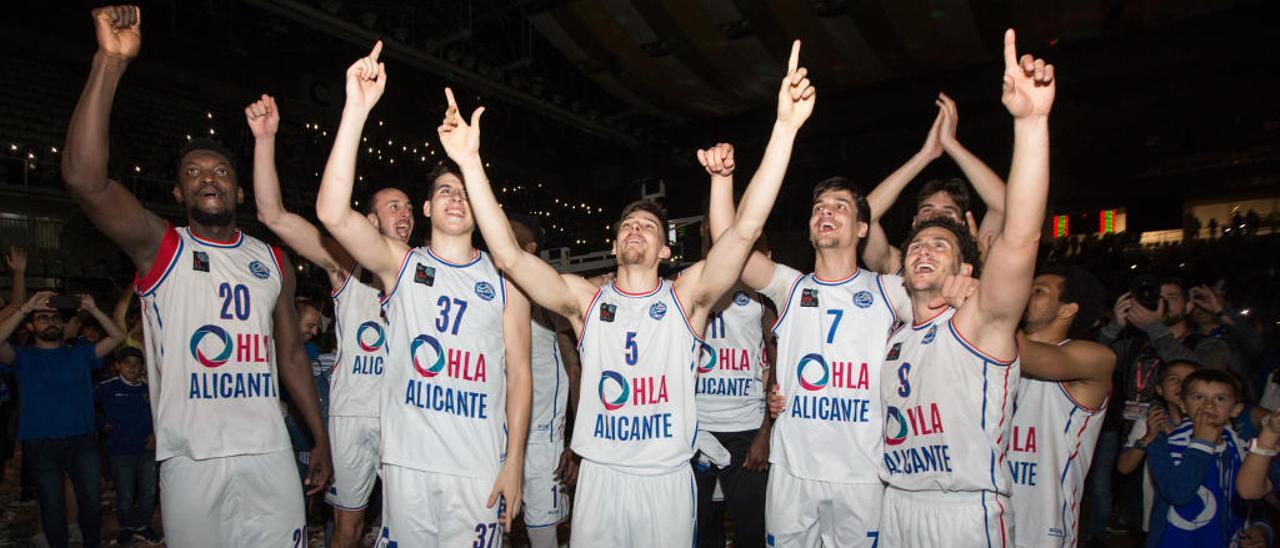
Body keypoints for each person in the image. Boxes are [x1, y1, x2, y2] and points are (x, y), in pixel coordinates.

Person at [441, 39, 813, 547]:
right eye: (628, 225)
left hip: (664, 480)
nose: (636, 230)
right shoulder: (584, 301)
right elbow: (507, 255)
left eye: (648, 227)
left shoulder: (687, 298)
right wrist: (469, 162)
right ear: (615, 243)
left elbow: (745, 232)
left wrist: (784, 129)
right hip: (601, 476)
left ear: (665, 250)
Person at [60, 6, 331, 545]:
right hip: (191, 458)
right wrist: (109, 63)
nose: (211, 178)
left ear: (239, 190)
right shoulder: (160, 247)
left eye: (223, 171)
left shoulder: (272, 259)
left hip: (270, 452)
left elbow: (292, 355)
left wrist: (319, 436)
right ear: (180, 193)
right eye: (195, 173)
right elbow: (85, 180)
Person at [315, 41, 532, 547]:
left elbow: (520, 375)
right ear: (429, 210)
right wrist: (356, 109)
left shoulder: (508, 279)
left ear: (479, 208)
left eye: (464, 192)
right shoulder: (401, 264)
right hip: (407, 465)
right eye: (444, 192)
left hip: (476, 466)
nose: (456, 198)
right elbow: (330, 213)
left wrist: (515, 460)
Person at [877, 29, 1054, 546]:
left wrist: (1030, 124)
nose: (923, 251)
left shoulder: (981, 321)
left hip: (963, 513)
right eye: (916, 245)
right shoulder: (895, 334)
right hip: (897, 505)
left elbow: (1021, 235)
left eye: (940, 245)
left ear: (968, 265)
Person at [707, 136, 914, 548]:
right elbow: (731, 246)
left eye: (840, 207)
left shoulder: (892, 292)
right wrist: (722, 181)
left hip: (863, 473)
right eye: (820, 207)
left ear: (861, 228)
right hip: (793, 470)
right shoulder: (790, 287)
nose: (826, 211)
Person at [693, 142, 775, 548]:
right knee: (702, 530)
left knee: (751, 531)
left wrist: (765, 430)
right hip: (699, 428)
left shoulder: (760, 292)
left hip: (746, 430)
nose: (717, 232)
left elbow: (776, 357)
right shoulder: (690, 284)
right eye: (710, 229)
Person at [0, 291, 124, 548]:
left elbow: (117, 337)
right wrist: (25, 308)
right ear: (32, 326)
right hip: (41, 443)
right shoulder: (23, 357)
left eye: (55, 317)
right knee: (51, 505)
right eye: (43, 318)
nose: (51, 321)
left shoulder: (79, 353)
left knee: (91, 502)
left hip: (83, 441)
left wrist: (95, 309)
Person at [1006, 266, 1115, 548]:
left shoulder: (1095, 358)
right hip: (986, 517)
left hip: (1042, 528)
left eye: (1038, 291)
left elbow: (1024, 354)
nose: (1025, 293)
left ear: (1067, 310)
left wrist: (992, 287)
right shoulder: (995, 356)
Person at [862, 93, 1009, 274]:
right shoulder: (899, 267)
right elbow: (863, 216)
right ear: (915, 222)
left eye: (949, 211)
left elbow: (1003, 205)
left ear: (963, 224)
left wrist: (952, 144)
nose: (936, 215)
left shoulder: (978, 259)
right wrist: (926, 155)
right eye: (927, 209)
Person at [509, 214, 580, 548]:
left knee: (544, 538)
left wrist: (575, 442)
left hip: (541, 441)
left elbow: (575, 366)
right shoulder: (488, 290)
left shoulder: (549, 296)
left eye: (510, 233)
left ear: (530, 247)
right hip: (494, 439)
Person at [1145, 369, 1274, 546]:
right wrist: (1202, 444)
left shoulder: (1239, 445)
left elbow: (1256, 496)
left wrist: (1262, 527)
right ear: (1182, 404)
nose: (1208, 405)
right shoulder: (1163, 443)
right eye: (1198, 397)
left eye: (1220, 399)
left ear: (1236, 409)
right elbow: (1178, 494)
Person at [1117, 360, 1196, 535]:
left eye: (1189, 379)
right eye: (1173, 379)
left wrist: (1172, 436)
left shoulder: (1208, 423)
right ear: (1159, 389)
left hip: (1199, 513)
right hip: (1160, 515)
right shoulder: (1151, 419)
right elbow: (1124, 467)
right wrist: (1148, 438)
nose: (1181, 385)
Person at [94, 346, 162, 545]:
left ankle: (142, 525)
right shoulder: (108, 387)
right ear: (118, 366)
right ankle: (125, 526)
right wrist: (100, 424)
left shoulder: (149, 389)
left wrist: (156, 434)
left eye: (137, 364)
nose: (132, 368)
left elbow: (161, 414)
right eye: (127, 364)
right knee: (125, 493)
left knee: (149, 491)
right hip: (120, 450)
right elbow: (86, 405)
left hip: (147, 449)